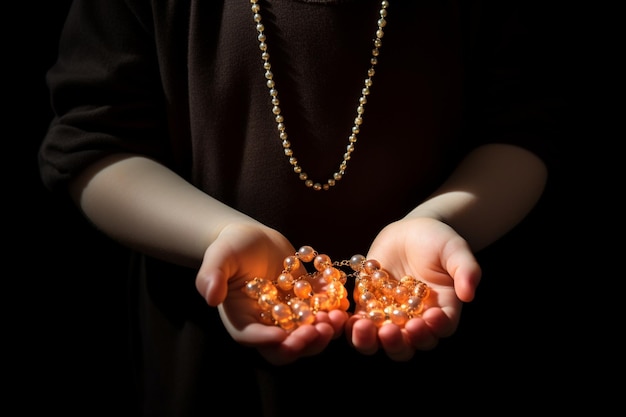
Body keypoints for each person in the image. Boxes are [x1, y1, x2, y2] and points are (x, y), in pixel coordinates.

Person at [39, 0, 563, 415]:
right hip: (210, 368)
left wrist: (440, 220)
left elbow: (523, 126)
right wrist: (216, 235)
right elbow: (92, 140)